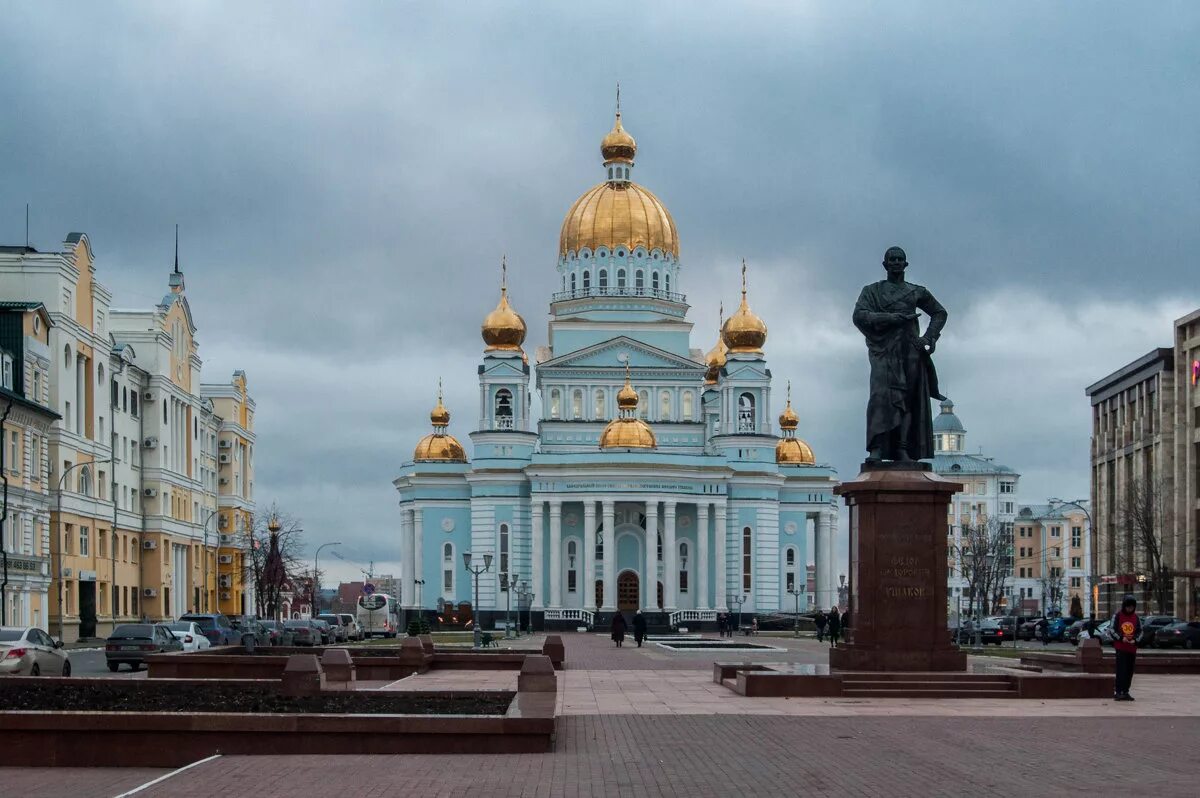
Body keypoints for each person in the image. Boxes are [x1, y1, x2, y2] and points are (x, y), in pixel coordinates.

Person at [852, 246, 948, 463]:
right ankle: (876, 447)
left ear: (905, 264)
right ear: (885, 265)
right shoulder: (872, 291)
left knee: (907, 400)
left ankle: (903, 448)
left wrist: (929, 337)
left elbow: (939, 312)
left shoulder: (916, 291)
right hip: (883, 351)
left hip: (910, 351)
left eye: (900, 259)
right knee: (880, 397)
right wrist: (890, 318)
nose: (896, 262)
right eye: (892, 259)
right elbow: (859, 316)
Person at [1110, 595, 1142, 701]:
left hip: (1131, 648)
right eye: (1128, 607)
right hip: (1121, 647)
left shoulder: (1136, 618)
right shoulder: (1118, 616)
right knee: (1121, 670)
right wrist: (1121, 638)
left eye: (1132, 607)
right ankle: (1118, 691)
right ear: (1124, 606)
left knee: (1129, 671)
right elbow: (1112, 630)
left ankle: (1126, 691)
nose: (1130, 609)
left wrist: (1135, 640)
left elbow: (1140, 631)